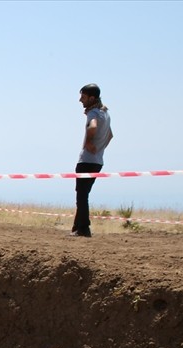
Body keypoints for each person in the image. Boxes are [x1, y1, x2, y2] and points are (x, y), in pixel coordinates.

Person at [72, 83, 113, 237]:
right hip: (97, 161)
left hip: (87, 160)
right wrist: (100, 148)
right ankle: (77, 227)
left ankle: (83, 228)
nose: (80, 100)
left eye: (83, 97)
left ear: (92, 98)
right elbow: (110, 136)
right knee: (83, 194)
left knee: (81, 195)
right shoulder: (105, 113)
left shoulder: (93, 113)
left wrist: (89, 143)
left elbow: (93, 126)